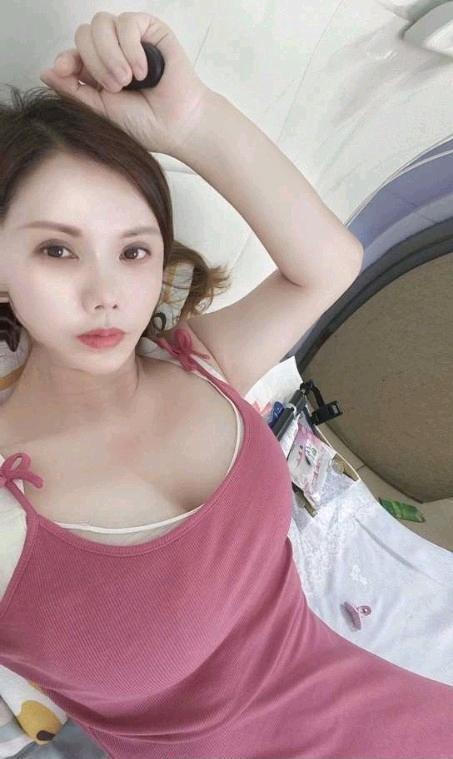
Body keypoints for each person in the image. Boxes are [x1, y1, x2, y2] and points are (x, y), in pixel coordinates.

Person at [0, 11, 451, 759]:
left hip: (398, 720)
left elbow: (329, 264)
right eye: (57, 250)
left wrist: (191, 119)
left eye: (133, 251)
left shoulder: (195, 362)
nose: (106, 294)